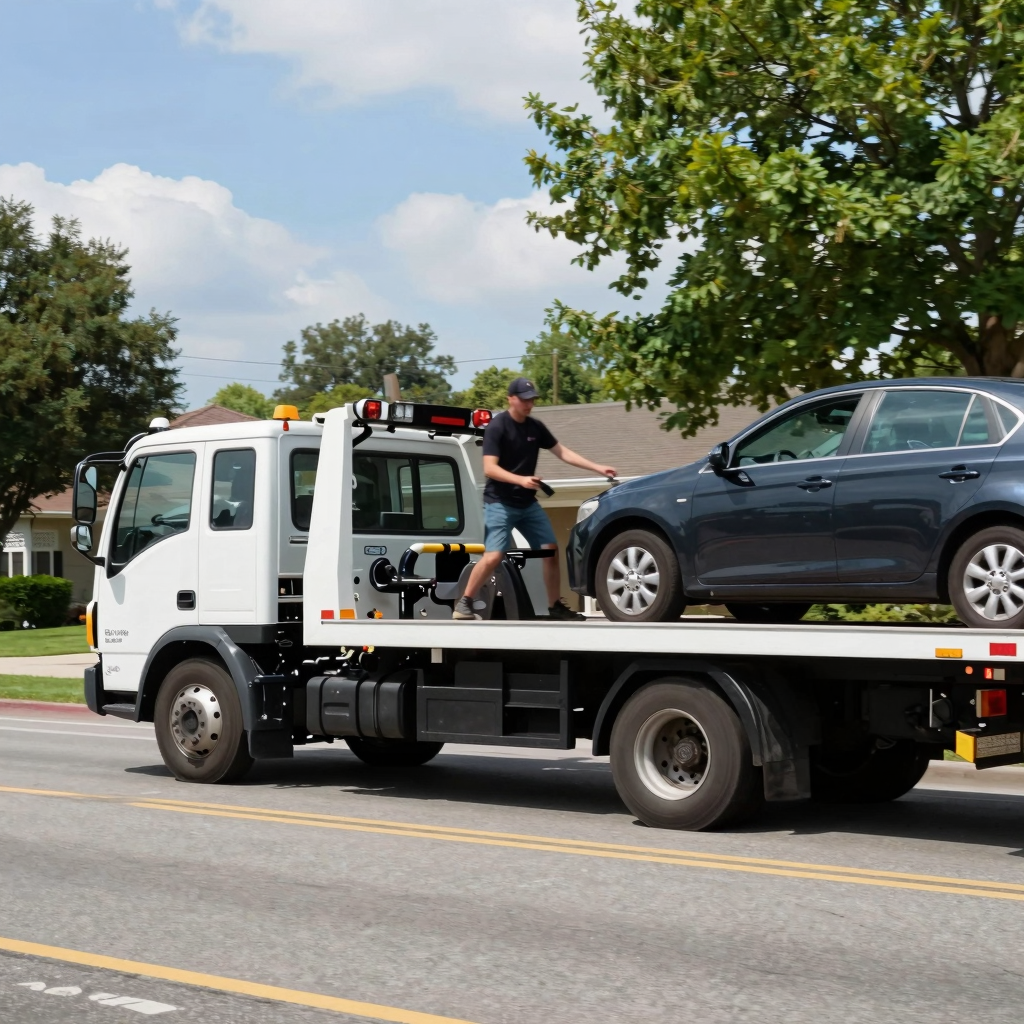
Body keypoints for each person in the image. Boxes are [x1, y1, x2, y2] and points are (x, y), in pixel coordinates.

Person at [453, 377, 616, 621]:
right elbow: (489, 468)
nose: (529, 405)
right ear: (511, 399)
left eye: (532, 400)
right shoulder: (498, 427)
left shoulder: (535, 427)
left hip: (527, 504)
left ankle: (555, 606)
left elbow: (562, 452)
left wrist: (597, 467)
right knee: (494, 556)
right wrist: (520, 480)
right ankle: (464, 603)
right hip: (499, 502)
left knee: (550, 550)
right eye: (524, 400)